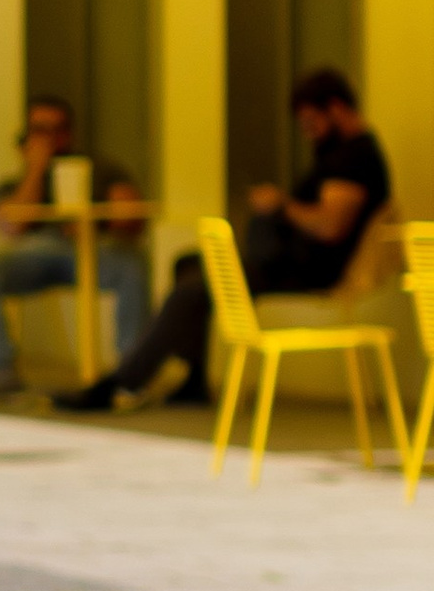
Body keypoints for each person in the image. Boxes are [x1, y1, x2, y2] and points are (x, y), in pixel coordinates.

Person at [60, 66, 392, 413]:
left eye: (312, 123)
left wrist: (281, 205)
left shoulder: (355, 158)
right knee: (188, 264)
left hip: (306, 271)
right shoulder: (337, 153)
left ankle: (120, 382)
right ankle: (193, 380)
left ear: (336, 109)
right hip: (287, 262)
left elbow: (330, 226)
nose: (309, 134)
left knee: (193, 287)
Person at [0, 95, 149, 397]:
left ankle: (131, 372)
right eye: (39, 130)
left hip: (91, 249)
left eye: (56, 130)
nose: (48, 139)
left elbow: (135, 221)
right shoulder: (12, 182)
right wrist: (36, 167)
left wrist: (116, 212)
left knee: (133, 264)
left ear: (69, 133)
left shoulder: (99, 170)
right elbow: (13, 225)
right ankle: (4, 368)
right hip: (34, 253)